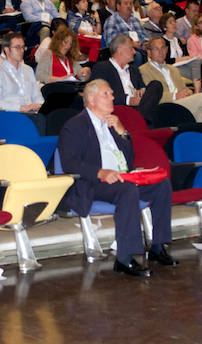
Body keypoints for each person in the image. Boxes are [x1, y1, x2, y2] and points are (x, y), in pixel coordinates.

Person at [57, 80, 177, 277]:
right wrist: (100, 172)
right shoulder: (74, 126)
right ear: (91, 99)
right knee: (128, 190)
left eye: (112, 93)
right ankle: (124, 258)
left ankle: (158, 246)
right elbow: (70, 163)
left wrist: (122, 132)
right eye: (106, 94)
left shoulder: (113, 123)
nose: (112, 97)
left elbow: (128, 160)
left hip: (121, 178)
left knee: (161, 184)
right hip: (93, 184)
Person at [89, 34, 163, 124]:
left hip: (140, 108)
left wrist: (142, 91)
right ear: (120, 48)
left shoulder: (134, 70)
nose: (134, 52)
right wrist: (129, 100)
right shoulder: (102, 67)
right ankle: (141, 121)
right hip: (120, 109)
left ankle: (140, 119)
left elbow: (143, 87)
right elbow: (100, 95)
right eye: (131, 48)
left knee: (156, 85)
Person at [140, 37, 202, 118]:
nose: (160, 51)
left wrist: (185, 94)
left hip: (181, 103)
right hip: (164, 106)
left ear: (167, 49)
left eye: (163, 48)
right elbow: (150, 97)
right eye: (156, 49)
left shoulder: (174, 69)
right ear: (149, 52)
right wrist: (175, 95)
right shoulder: (143, 70)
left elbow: (186, 89)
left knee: (201, 113)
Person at [0, 32, 43, 115]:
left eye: (22, 47)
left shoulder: (28, 70)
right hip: (10, 113)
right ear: (6, 49)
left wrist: (39, 105)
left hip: (30, 111)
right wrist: (21, 108)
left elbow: (37, 96)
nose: (21, 51)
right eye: (17, 48)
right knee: (39, 121)